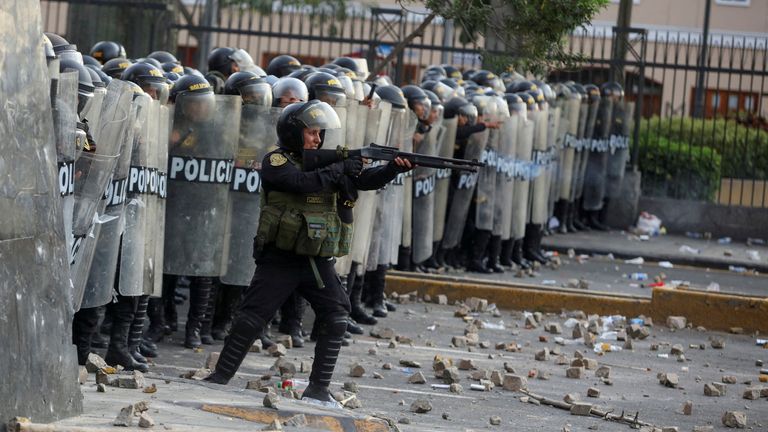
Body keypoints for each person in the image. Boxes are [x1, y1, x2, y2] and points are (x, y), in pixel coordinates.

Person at [205, 100, 412, 406]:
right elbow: (299, 183)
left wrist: (392, 169)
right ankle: (219, 378)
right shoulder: (277, 161)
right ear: (293, 134)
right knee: (253, 316)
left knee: (338, 313)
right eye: (311, 133)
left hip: (315, 258)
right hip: (281, 257)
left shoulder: (327, 165)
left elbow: (363, 181)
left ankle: (317, 389)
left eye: (319, 134)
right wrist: (340, 166)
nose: (317, 139)